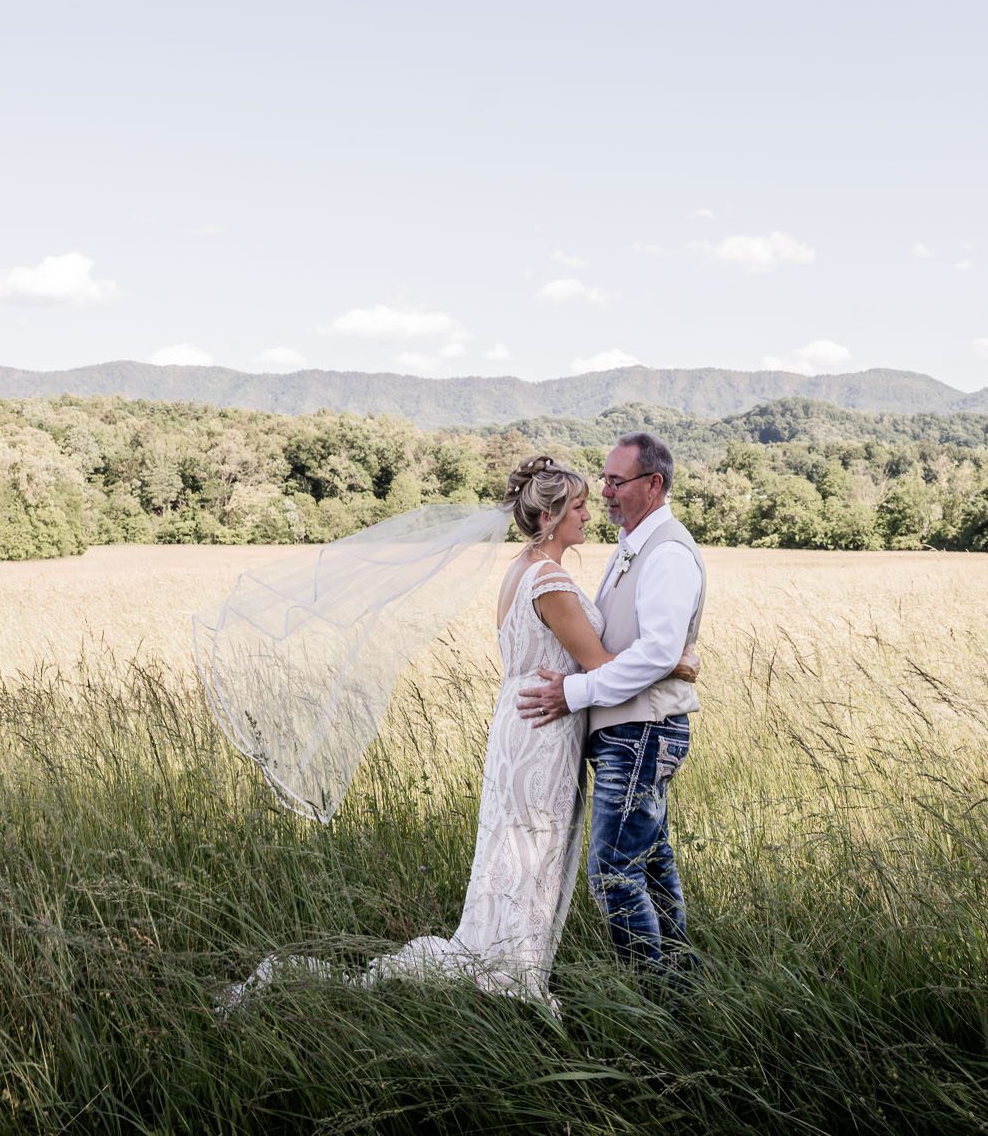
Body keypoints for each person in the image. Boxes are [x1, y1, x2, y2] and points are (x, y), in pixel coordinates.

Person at [222, 455, 696, 1012]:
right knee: (532, 857)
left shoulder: (522, 570)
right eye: (578, 506)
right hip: (542, 735)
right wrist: (675, 662)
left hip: (523, 727)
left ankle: (504, 966)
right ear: (549, 516)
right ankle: (511, 978)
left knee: (515, 856)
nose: (588, 515)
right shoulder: (551, 582)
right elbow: (596, 664)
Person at [516, 431, 706, 979]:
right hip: (631, 730)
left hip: (644, 730)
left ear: (654, 484)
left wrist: (573, 692)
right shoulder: (634, 547)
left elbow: (658, 651)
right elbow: (649, 649)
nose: (604, 492)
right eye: (604, 480)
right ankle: (682, 982)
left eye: (616, 481)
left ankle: (654, 995)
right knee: (651, 865)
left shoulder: (667, 553)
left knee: (613, 873)